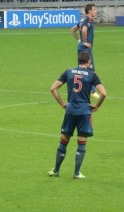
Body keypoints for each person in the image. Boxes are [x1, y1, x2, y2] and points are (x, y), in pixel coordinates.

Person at [48, 51, 106, 179]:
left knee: (64, 141)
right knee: (81, 143)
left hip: (70, 111)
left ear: (78, 61)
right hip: (84, 112)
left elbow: (53, 88)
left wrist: (63, 104)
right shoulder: (92, 75)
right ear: (88, 62)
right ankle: (76, 173)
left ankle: (56, 170)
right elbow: (104, 93)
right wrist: (97, 106)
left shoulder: (68, 72)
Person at [77, 3, 99, 98]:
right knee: (90, 69)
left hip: (80, 47)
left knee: (83, 67)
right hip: (86, 48)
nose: (96, 11)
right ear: (89, 11)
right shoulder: (88, 20)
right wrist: (85, 42)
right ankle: (92, 91)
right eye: (94, 9)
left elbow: (72, 29)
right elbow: (84, 30)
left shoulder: (82, 20)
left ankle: (80, 86)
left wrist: (79, 40)